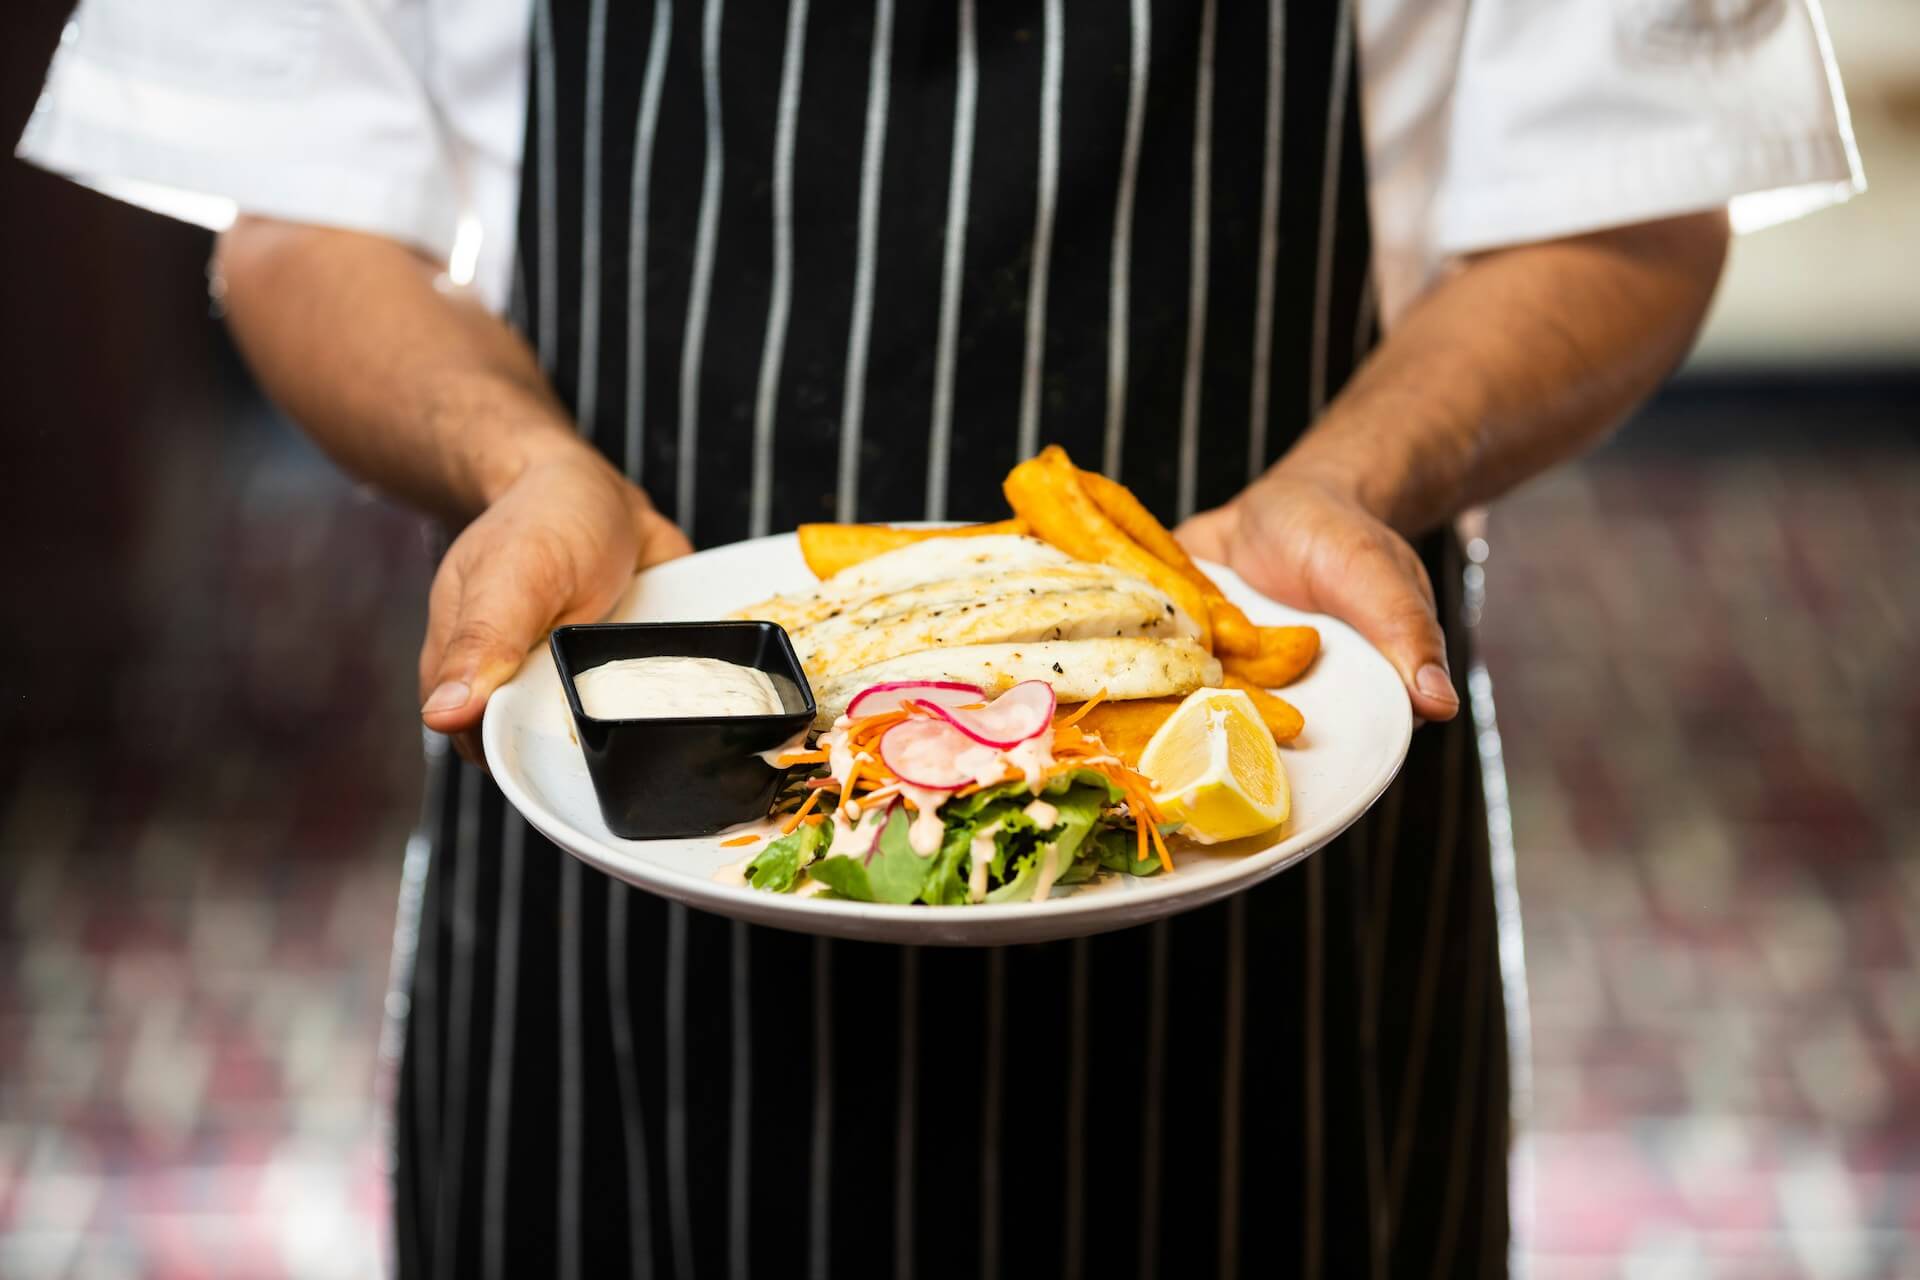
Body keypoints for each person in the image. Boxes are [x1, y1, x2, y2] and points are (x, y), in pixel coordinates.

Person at [20, 0, 1860, 1273]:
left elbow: (1639, 190)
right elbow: (298, 215)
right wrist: (516, 465)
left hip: (1258, 843)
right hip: (624, 816)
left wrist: (1358, 475)